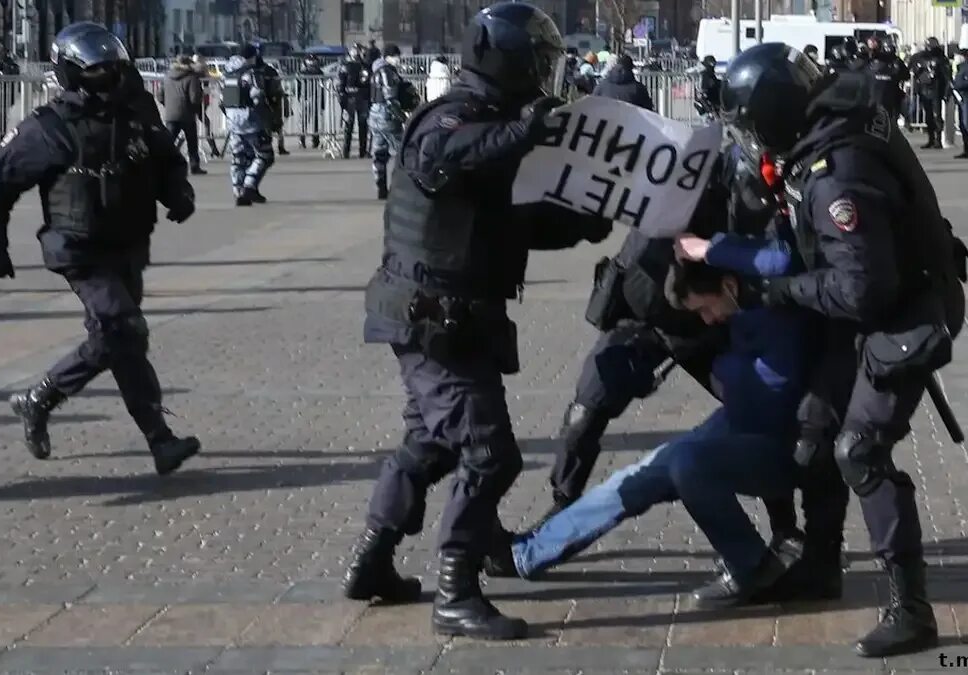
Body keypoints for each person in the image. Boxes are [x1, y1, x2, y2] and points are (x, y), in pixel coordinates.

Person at [340, 2, 612, 640]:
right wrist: (526, 130)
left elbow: (511, 220)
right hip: (431, 320)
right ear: (507, 61)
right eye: (537, 62)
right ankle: (455, 593)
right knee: (489, 454)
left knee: (430, 444)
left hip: (457, 320)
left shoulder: (494, 127)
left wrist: (584, 221)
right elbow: (448, 156)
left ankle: (376, 561)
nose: (546, 73)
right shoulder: (450, 118)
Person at [717, 43, 966, 658]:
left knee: (860, 449)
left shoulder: (836, 173)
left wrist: (780, 290)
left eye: (751, 124)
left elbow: (860, 289)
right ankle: (820, 568)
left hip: (901, 314)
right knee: (812, 430)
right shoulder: (831, 126)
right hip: (874, 300)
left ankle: (911, 606)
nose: (751, 138)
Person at [487, 262, 809, 607]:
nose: (707, 318)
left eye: (705, 307)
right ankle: (527, 553)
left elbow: (769, 388)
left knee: (687, 464)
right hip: (738, 422)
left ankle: (751, 565)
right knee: (634, 478)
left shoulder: (775, 311)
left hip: (780, 439)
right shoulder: (735, 310)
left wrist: (717, 362)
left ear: (729, 285)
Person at [531, 144, 799, 545]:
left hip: (707, 324)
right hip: (642, 319)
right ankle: (562, 503)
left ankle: (785, 529)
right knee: (585, 410)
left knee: (753, 415)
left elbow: (772, 256)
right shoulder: (651, 185)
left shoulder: (735, 197)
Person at [0, 22, 200, 475]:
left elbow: (166, 158)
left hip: (128, 243)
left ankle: (158, 441)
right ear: (72, 73)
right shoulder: (48, 128)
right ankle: (44, 394)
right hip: (78, 249)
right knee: (125, 328)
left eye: (112, 69)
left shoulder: (134, 113)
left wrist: (178, 194)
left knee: (120, 342)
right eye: (96, 71)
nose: (107, 78)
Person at [220, 44, 279, 206]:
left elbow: (221, 100)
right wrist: (269, 118)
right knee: (265, 155)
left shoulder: (227, 73)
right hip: (251, 120)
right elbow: (258, 97)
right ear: (252, 56)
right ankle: (249, 186)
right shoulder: (251, 74)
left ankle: (238, 191)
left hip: (233, 121)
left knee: (239, 157)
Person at [368, 44, 418, 199]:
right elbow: (390, 99)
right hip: (387, 116)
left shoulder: (375, 70)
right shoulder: (387, 72)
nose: (398, 59)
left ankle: (381, 188)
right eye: (396, 56)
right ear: (388, 57)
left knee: (379, 153)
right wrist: (403, 118)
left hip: (374, 115)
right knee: (404, 151)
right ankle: (408, 187)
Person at [160, 54, 207, 174]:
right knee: (192, 141)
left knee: (168, 141)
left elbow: (159, 95)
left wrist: (169, 105)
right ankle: (194, 166)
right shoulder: (191, 78)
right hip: (187, 114)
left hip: (171, 113)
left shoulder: (166, 76)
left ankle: (162, 164)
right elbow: (194, 98)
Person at [910, 37, 949, 149]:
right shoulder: (919, 57)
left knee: (937, 116)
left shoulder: (941, 59)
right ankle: (931, 139)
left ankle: (938, 139)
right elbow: (913, 70)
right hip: (924, 89)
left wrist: (946, 92)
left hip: (936, 89)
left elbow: (946, 76)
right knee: (928, 116)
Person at [337, 44, 371, 158]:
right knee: (349, 125)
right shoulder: (346, 66)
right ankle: (346, 151)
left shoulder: (365, 66)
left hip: (362, 98)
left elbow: (368, 83)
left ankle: (362, 151)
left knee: (362, 126)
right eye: (354, 51)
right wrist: (342, 97)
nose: (356, 53)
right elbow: (341, 83)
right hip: (351, 98)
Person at [867, 39, 910, 117]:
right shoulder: (876, 60)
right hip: (880, 94)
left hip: (889, 93)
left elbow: (906, 75)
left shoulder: (896, 61)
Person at [191, 54, 222, 158]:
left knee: (197, 124)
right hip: (199, 101)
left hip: (195, 101)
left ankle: (214, 149)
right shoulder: (201, 71)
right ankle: (214, 149)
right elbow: (207, 87)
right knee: (205, 123)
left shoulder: (192, 71)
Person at [297, 54, 324, 149]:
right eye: (310, 60)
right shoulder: (302, 73)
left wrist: (322, 102)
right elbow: (298, 87)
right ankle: (302, 139)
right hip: (306, 98)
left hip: (316, 97)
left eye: (314, 60)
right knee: (304, 120)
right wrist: (300, 98)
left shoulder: (319, 72)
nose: (312, 62)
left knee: (315, 121)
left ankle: (315, 140)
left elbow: (322, 88)